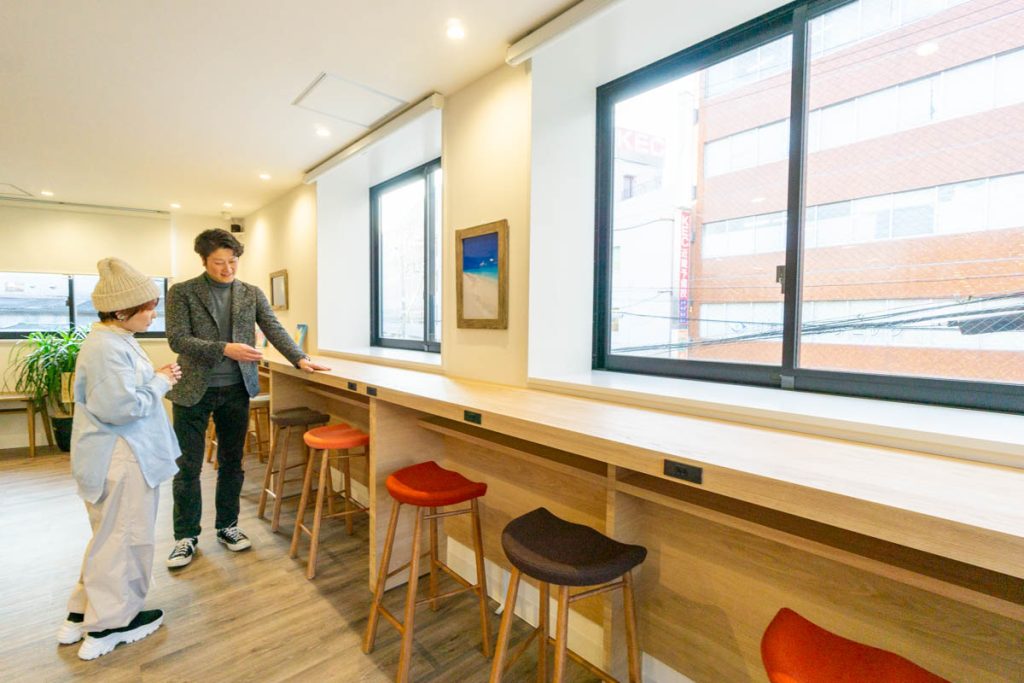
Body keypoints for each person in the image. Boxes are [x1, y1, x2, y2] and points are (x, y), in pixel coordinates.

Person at [165, 228, 328, 568]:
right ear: (203, 260)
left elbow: (273, 327)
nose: (227, 269)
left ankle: (228, 526)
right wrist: (225, 348)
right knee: (188, 466)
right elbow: (178, 339)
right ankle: (185, 536)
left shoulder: (250, 293)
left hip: (237, 389)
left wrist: (300, 358)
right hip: (193, 390)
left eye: (233, 261)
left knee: (232, 462)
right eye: (219, 262)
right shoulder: (182, 292)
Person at [60, 257, 182, 660]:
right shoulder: (107, 347)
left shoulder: (112, 340)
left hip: (110, 455)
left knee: (108, 539)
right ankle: (111, 625)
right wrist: (161, 382)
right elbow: (121, 407)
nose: (153, 314)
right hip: (122, 457)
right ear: (121, 310)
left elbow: (120, 391)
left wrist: (154, 377)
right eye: (148, 307)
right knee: (126, 541)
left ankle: (81, 614)